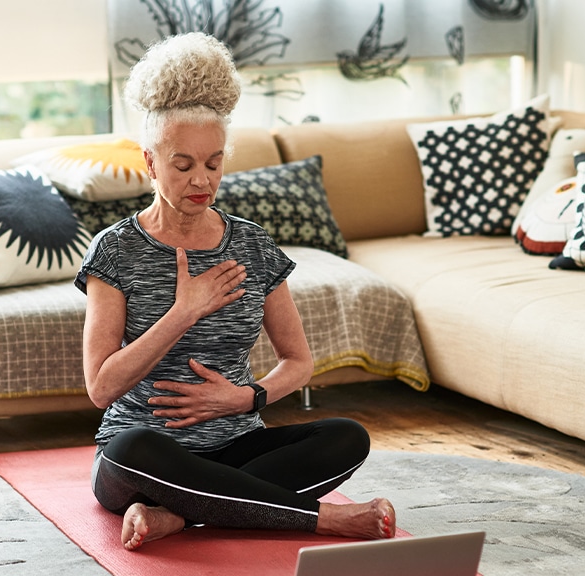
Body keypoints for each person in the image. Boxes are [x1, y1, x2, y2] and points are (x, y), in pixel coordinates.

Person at [75, 32, 396, 551]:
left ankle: (178, 516)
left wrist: (244, 398)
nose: (201, 180)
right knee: (133, 448)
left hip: (236, 446)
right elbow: (101, 388)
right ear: (152, 163)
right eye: (183, 165)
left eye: (214, 163)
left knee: (346, 437)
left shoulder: (251, 245)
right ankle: (323, 520)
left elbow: (298, 362)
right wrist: (183, 311)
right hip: (144, 457)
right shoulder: (115, 251)